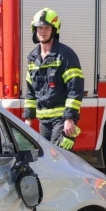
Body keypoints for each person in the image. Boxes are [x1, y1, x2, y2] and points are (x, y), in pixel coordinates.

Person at [23, 8, 83, 151]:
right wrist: (28, 119)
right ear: (35, 30)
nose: (42, 31)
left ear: (54, 30)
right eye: (39, 28)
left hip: (62, 120)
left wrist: (70, 118)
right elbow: (30, 91)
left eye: (47, 28)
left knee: (57, 158)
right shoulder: (33, 58)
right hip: (43, 121)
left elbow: (75, 88)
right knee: (46, 159)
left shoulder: (65, 55)